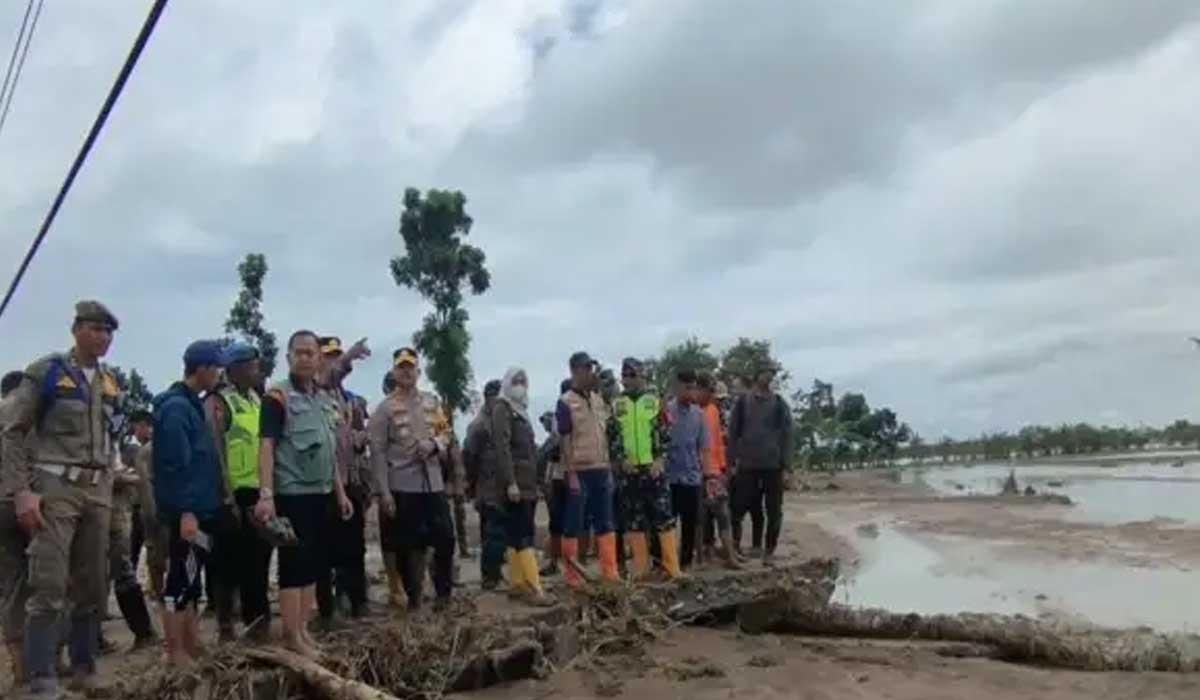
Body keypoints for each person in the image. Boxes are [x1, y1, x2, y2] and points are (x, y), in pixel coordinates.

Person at [2, 301, 122, 695]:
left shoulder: (109, 382)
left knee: (92, 581)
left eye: (108, 331)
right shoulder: (48, 372)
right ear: (76, 330)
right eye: (95, 329)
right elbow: (14, 432)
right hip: (55, 485)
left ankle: (85, 666)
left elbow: (111, 434)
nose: (102, 337)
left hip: (98, 487)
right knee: (49, 581)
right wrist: (22, 491)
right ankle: (41, 676)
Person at [252, 331, 354, 658]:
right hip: (292, 492)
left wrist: (340, 494)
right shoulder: (277, 397)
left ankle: (304, 630)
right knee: (294, 564)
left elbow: (329, 452)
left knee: (314, 564)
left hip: (321, 492)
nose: (305, 358)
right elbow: (266, 446)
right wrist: (266, 493)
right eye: (299, 352)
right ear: (288, 357)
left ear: (319, 358)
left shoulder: (324, 398)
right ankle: (292, 635)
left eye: (311, 353)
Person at [153, 340, 228, 666]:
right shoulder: (176, 409)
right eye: (217, 368)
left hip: (202, 508)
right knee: (178, 583)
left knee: (192, 578)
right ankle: (174, 650)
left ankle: (191, 640)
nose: (220, 374)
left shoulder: (192, 404)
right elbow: (174, 464)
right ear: (203, 369)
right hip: (188, 513)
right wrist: (185, 512)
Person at [369, 347, 455, 612]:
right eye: (401, 367)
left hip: (433, 484)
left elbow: (446, 433)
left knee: (445, 539)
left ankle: (443, 595)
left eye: (410, 367)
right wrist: (384, 492)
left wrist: (434, 445)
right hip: (402, 486)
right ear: (394, 372)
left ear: (418, 371)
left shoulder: (432, 403)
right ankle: (414, 599)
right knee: (409, 548)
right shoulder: (384, 410)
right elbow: (378, 454)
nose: (406, 372)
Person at [203, 342, 274, 642]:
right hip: (231, 493)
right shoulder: (218, 401)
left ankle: (258, 623)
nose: (256, 369)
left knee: (258, 561)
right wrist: (226, 495)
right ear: (234, 369)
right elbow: (215, 450)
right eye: (251, 364)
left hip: (258, 492)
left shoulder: (257, 399)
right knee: (226, 562)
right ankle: (225, 626)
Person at [314, 336, 372, 625]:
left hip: (352, 481)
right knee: (325, 550)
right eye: (330, 356)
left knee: (354, 547)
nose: (334, 361)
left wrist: (361, 438)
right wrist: (349, 356)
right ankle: (328, 610)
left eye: (337, 354)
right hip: (323, 483)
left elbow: (360, 439)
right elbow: (330, 376)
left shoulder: (350, 400)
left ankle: (357, 600)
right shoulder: (315, 392)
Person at [486, 368, 551, 604]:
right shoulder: (502, 409)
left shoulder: (520, 411)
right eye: (516, 380)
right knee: (523, 535)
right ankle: (534, 588)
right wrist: (510, 482)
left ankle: (517, 584)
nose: (521, 384)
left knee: (516, 535)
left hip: (528, 483)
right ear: (507, 383)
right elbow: (502, 448)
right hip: (515, 486)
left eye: (524, 380)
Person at [613, 358, 680, 580]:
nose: (628, 379)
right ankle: (641, 571)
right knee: (634, 520)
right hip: (629, 472)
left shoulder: (655, 401)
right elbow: (611, 437)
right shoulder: (617, 404)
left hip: (654, 469)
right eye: (625, 375)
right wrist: (621, 460)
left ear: (642, 376)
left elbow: (667, 433)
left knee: (664, 517)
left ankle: (672, 568)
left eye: (633, 375)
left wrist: (660, 459)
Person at [556, 352, 618, 586]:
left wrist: (609, 466)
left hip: (601, 468)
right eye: (586, 368)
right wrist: (570, 473)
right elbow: (564, 440)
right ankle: (572, 575)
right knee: (574, 523)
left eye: (591, 368)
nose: (590, 372)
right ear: (574, 370)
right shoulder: (565, 402)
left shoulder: (598, 399)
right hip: (579, 471)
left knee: (606, 521)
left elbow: (604, 434)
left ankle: (609, 572)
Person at [729, 362, 793, 563]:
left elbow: (787, 435)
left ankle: (769, 551)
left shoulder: (779, 403)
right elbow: (733, 433)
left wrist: (787, 467)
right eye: (766, 372)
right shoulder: (743, 402)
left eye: (773, 373)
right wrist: (731, 461)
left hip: (772, 466)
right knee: (739, 507)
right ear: (757, 375)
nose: (770, 376)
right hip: (747, 465)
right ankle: (737, 548)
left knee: (774, 510)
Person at [104, 431, 157, 653]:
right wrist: (133, 477)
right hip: (101, 512)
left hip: (111, 514)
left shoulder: (107, 438)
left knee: (121, 572)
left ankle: (144, 634)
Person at [664, 369, 710, 570]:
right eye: (687, 387)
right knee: (667, 524)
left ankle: (686, 563)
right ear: (677, 387)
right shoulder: (666, 411)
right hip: (670, 478)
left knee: (690, 523)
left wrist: (708, 477)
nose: (691, 392)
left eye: (693, 387)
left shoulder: (699, 415)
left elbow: (703, 448)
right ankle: (668, 564)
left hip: (692, 478)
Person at [1, 370, 30, 687]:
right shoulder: (26, 413)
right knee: (49, 580)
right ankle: (51, 661)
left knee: (11, 586)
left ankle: (19, 669)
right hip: (29, 502)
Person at [697, 373, 740, 569]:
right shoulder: (694, 412)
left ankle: (729, 556)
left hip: (714, 469)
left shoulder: (713, 411)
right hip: (699, 471)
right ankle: (703, 556)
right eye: (712, 392)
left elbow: (718, 444)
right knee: (702, 516)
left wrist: (722, 469)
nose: (715, 397)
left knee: (722, 513)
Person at [464, 380, 502, 589]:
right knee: (491, 534)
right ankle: (489, 578)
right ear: (489, 398)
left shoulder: (500, 420)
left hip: (500, 487)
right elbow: (470, 456)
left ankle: (494, 573)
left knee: (496, 534)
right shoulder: (479, 425)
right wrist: (471, 485)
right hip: (486, 487)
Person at [126, 411, 166, 600]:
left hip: (149, 506)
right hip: (150, 506)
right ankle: (159, 591)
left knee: (153, 550)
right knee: (154, 550)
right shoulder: (145, 450)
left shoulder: (148, 449)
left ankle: (158, 591)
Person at [535, 406, 565, 577]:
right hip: (550, 485)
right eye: (543, 421)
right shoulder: (549, 442)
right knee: (555, 524)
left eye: (547, 420)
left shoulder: (556, 440)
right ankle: (556, 562)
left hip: (559, 483)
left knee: (559, 525)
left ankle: (560, 562)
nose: (544, 424)